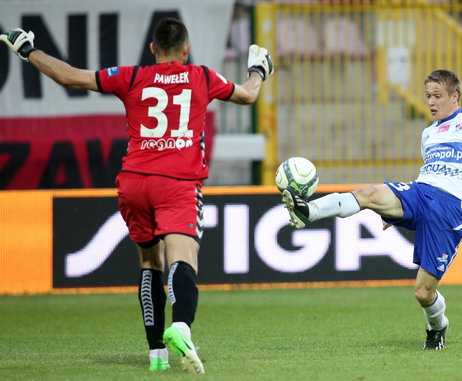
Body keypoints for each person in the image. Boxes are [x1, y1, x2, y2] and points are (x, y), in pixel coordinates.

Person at [1, 18, 274, 372]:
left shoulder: (131, 76)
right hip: (176, 181)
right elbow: (248, 94)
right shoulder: (202, 77)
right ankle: (181, 327)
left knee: (149, 262)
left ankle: (156, 355)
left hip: (134, 182)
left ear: (152, 50)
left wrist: (28, 49)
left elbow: (69, 75)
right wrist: (258, 70)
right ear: (186, 50)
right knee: (183, 256)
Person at [282, 69, 462, 350]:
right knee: (369, 193)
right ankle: (307, 211)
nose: (431, 102)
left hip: (449, 209)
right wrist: (397, 213)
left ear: (455, 96)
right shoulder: (429, 133)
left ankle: (438, 326)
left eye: (437, 96)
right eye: (427, 96)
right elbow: (430, 173)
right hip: (420, 193)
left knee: (423, 293)